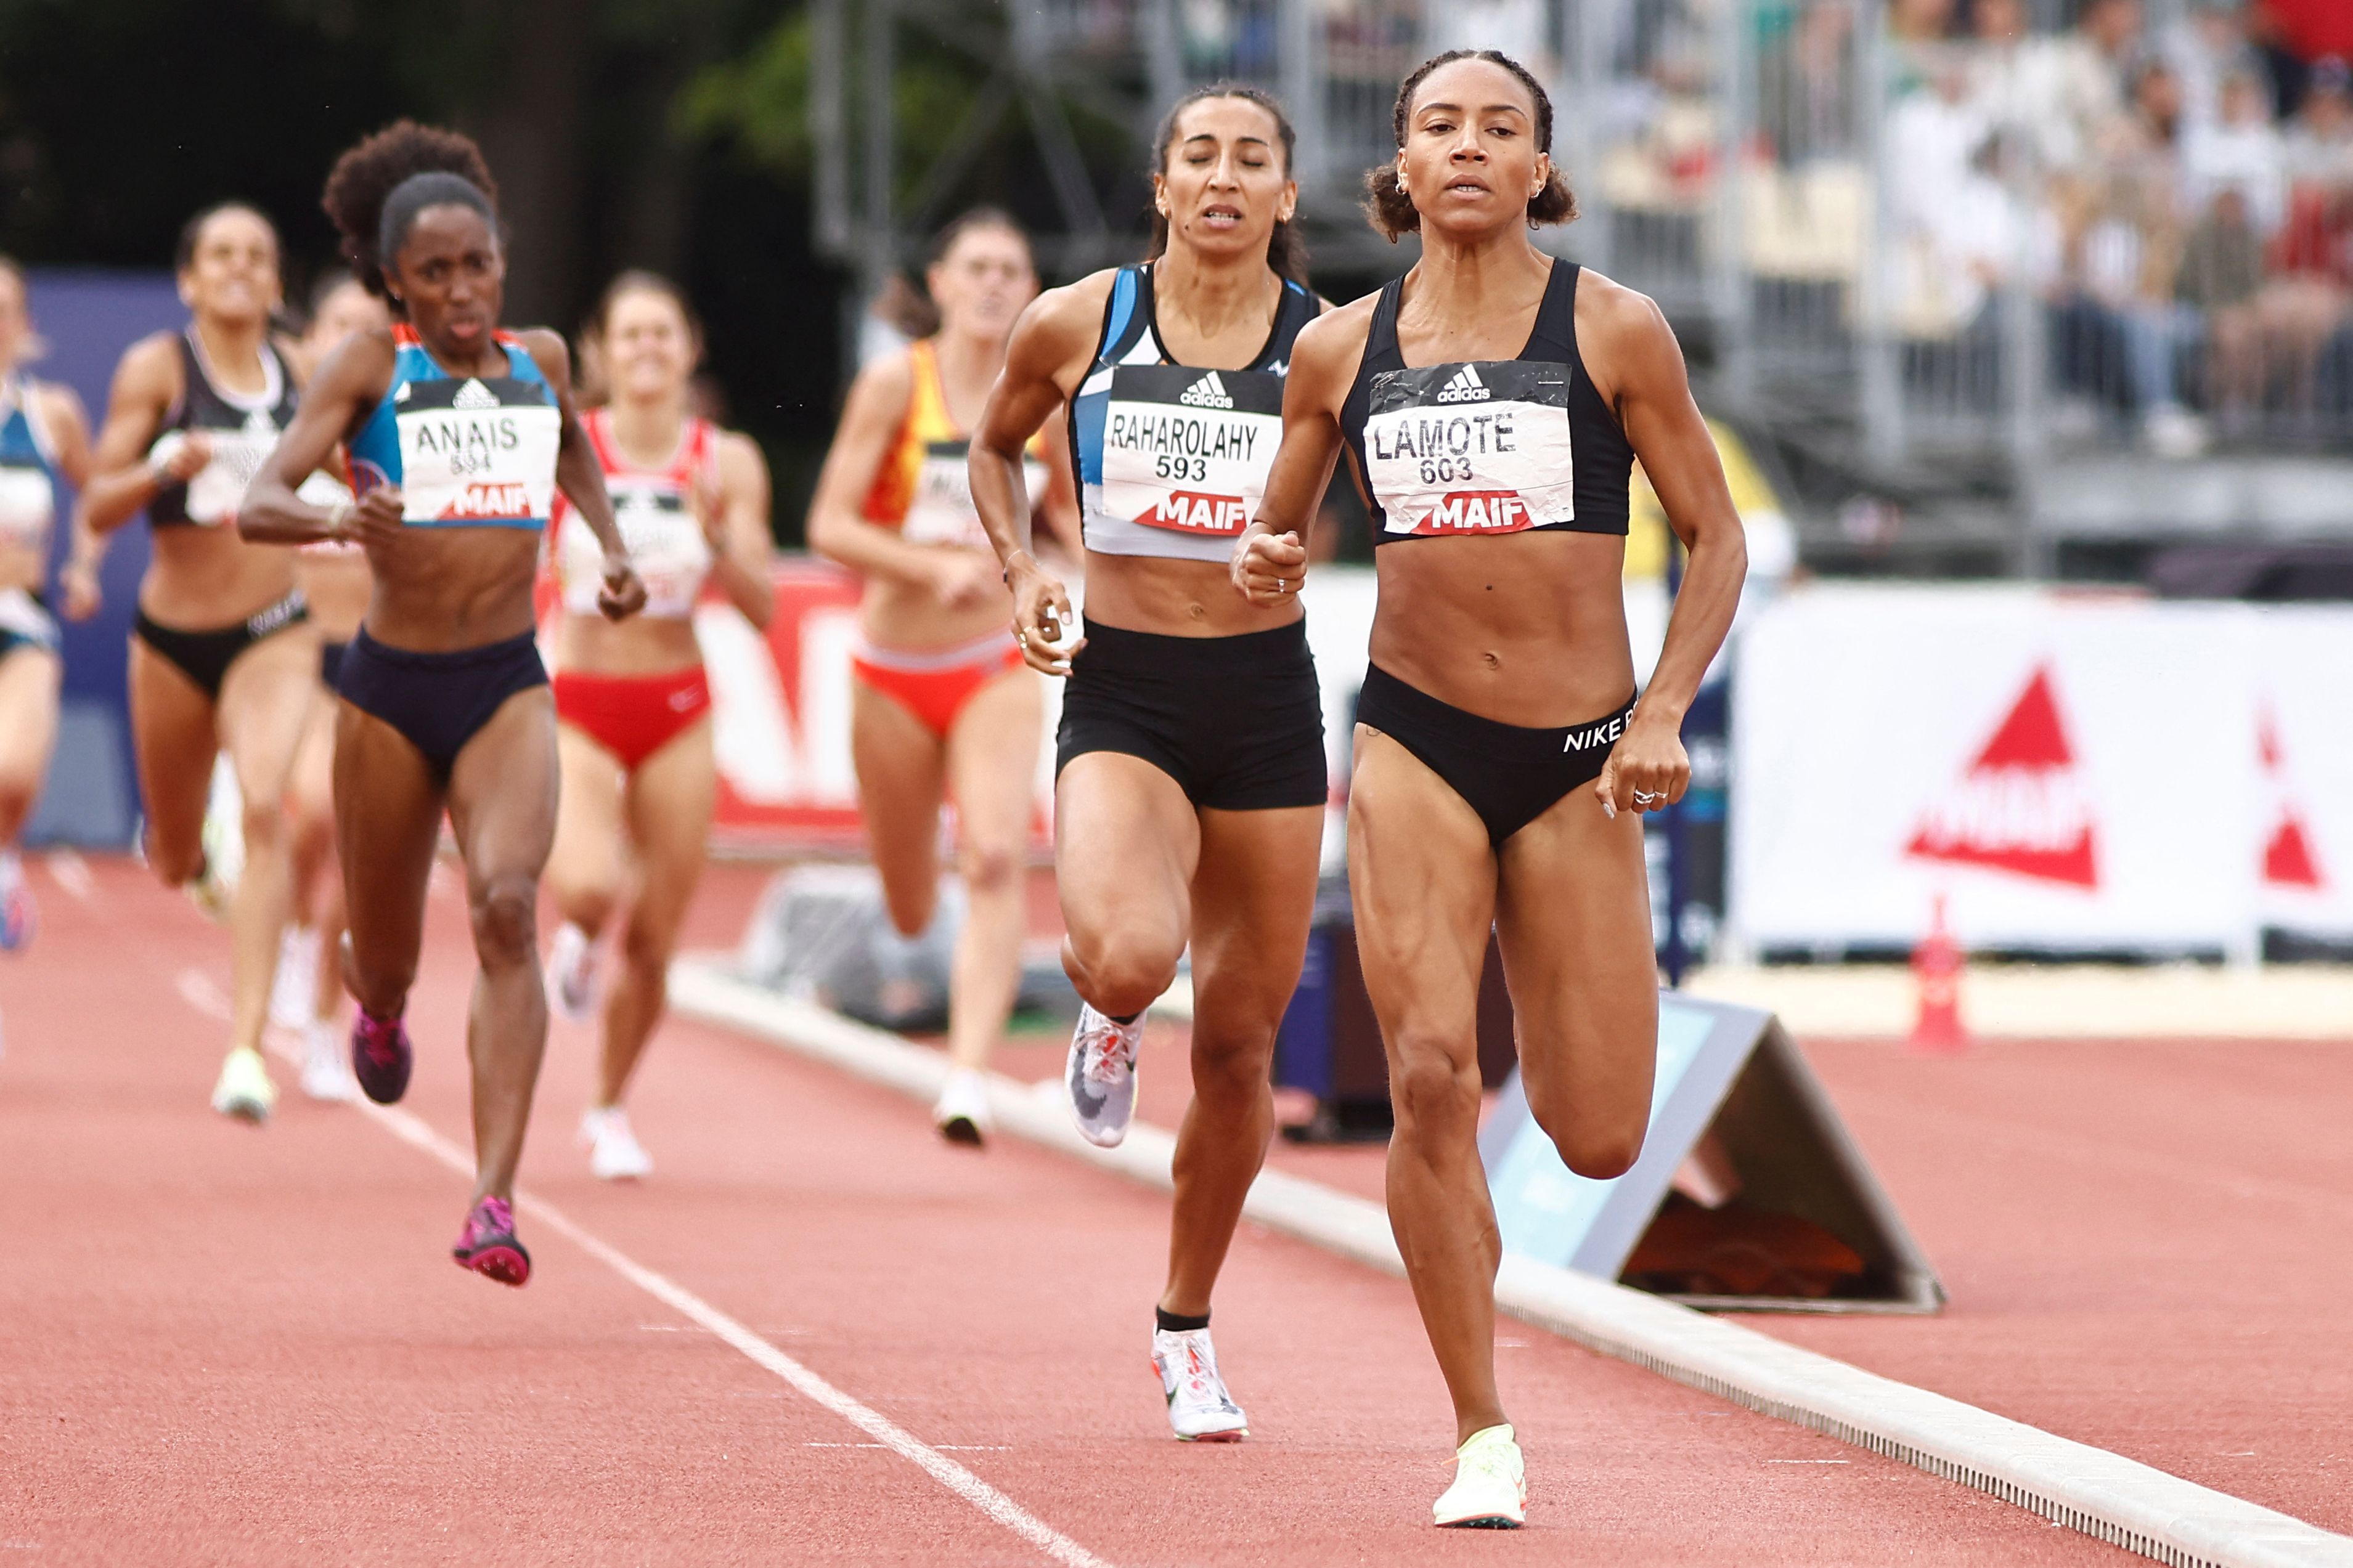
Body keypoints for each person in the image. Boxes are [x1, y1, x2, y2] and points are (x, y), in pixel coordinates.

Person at [1232, 51, 1745, 1525]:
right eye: (1440, 125)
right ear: (1401, 163)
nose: (1468, 146)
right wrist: (1272, 558)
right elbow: (1282, 533)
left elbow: (1715, 539)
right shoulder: (1339, 350)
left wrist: (1659, 713)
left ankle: (1476, 1261)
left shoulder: (1614, 329)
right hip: (1412, 742)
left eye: (1499, 128)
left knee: (1595, 1133)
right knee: (1429, 1074)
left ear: (1539, 168)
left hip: (1581, 756)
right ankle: (1480, 1428)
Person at [969, 87, 1326, 1441]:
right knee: (1128, 953)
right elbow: (993, 450)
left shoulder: (1331, 345)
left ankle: (1185, 1330)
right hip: (1123, 690)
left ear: (1287, 197)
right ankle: (1107, 1012)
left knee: (1239, 1049)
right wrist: (1022, 570)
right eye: (1200, 158)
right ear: (1162, 185)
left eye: (1253, 162)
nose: (1224, 179)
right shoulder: (1080, 319)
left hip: (1265, 702)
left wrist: (1301, 545)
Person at [241, 121, 645, 1285]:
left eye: (478, 266)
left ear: (500, 260)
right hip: (388, 691)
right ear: (394, 282)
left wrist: (612, 554)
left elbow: (571, 454)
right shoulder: (371, 366)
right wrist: (333, 518)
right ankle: (373, 1008)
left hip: (505, 682)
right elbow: (260, 499)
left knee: (509, 909)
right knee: (388, 960)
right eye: (435, 274)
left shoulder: (544, 361)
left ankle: (492, 1200)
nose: (462, 292)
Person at [805, 209, 1079, 1146]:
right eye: (977, 267)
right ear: (942, 282)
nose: (996, 282)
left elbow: (1071, 528)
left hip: (992, 662)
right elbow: (829, 526)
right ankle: (919, 936)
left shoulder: (1046, 396)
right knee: (911, 897)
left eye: (1012, 267)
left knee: (997, 856)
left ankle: (968, 1075)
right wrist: (927, 566)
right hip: (891, 669)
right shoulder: (895, 384)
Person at [69, 203, 320, 1123]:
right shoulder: (158, 368)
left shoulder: (304, 374)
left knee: (264, 805)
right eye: (221, 254)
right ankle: (196, 859)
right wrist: (161, 466)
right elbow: (97, 504)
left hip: (275, 627)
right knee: (173, 859)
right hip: (172, 641)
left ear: (278, 280)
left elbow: (352, 473)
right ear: (189, 278)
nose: (240, 268)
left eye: (258, 254)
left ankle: (248, 1052)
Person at [542, 270, 774, 1180]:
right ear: (598, 352)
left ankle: (608, 1107)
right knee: (592, 888)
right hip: (583, 702)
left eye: (662, 335)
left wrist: (718, 538)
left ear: (690, 350)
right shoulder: (570, 445)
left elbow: (758, 608)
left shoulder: (727, 459)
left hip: (678, 706)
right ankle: (578, 932)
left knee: (657, 937)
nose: (646, 350)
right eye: (628, 335)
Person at [272, 274, 393, 1102]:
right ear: (308, 342)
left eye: (371, 330)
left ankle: (324, 1028)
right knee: (314, 812)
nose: (354, 342)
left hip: (381, 664)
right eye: (339, 326)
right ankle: (279, 933)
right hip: (295, 662)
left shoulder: (401, 440)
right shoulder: (282, 441)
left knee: (360, 860)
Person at [0, 260, 93, 951]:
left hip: (21, 620)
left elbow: (99, 496)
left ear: (25, 324)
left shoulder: (49, 410)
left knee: (13, 769)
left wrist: (84, 565)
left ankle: (4, 863)